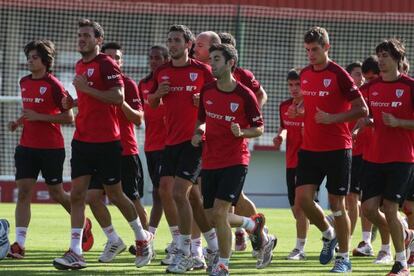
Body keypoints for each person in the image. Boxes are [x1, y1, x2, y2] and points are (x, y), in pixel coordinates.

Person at [53, 19, 152, 270]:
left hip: (107, 142)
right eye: (79, 35)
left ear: (98, 40)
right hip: (82, 141)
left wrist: (87, 89)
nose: (81, 39)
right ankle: (76, 252)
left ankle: (141, 238)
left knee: (118, 195)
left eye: (86, 35)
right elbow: (88, 98)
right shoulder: (79, 64)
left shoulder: (106, 64)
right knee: (78, 195)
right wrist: (72, 102)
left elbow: (117, 97)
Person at [192, 43, 275, 275]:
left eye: (217, 59)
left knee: (219, 213)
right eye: (211, 59)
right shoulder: (207, 91)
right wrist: (199, 133)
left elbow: (258, 128)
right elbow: (202, 120)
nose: (212, 63)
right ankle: (252, 224)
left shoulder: (244, 95)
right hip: (210, 160)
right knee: (211, 217)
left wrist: (243, 132)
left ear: (230, 63)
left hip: (235, 160)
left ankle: (222, 265)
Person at [293, 26, 368, 273]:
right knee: (303, 200)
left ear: (327, 47)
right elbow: (309, 102)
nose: (311, 54)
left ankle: (344, 258)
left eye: (315, 49)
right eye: (307, 50)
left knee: (338, 205)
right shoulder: (304, 74)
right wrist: (300, 110)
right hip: (310, 149)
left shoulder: (339, 75)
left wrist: (333, 118)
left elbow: (362, 110)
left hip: (337, 149)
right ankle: (329, 233)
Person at [148, 24, 219, 273]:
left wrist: (204, 100)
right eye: (170, 40)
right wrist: (157, 94)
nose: (173, 44)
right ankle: (212, 245)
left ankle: (186, 250)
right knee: (182, 195)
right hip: (171, 142)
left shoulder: (203, 71)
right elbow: (153, 104)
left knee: (180, 192)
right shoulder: (163, 71)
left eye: (177, 40)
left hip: (195, 141)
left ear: (188, 44)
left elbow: (218, 100)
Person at [7, 40, 77, 259]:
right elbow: (31, 110)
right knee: (24, 193)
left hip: (51, 149)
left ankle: (81, 222)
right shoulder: (23, 81)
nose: (30, 60)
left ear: (45, 61)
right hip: (26, 147)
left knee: (57, 193)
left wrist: (39, 118)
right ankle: (19, 244)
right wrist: (18, 122)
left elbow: (68, 117)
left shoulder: (55, 84)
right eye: (28, 57)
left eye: (34, 57)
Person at [84, 41, 148, 263]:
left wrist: (117, 100)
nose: (113, 61)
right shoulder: (94, 81)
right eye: (108, 57)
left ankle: (145, 243)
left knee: (132, 199)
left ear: (122, 61)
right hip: (98, 147)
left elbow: (138, 119)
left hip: (124, 149)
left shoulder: (128, 84)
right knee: (91, 197)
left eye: (117, 58)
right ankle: (113, 239)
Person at [360, 38, 414, 276]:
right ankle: (403, 233)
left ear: (398, 60)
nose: (381, 61)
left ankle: (401, 263)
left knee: (391, 208)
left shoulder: (410, 86)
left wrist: (400, 122)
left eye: (386, 56)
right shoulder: (371, 88)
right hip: (373, 157)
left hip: (401, 158)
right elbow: (360, 109)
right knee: (369, 210)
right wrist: (366, 120)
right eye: (379, 56)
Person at [218, 32, 269, 252]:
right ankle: (241, 231)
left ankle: (257, 232)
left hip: (237, 140)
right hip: (214, 142)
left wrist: (248, 119)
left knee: (234, 194)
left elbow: (262, 95)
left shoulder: (243, 75)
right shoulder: (211, 75)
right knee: (224, 195)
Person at [273, 68, 309, 260]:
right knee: (296, 208)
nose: (294, 88)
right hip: (290, 161)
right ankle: (329, 229)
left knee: (300, 205)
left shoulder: (311, 105)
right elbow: (285, 127)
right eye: (291, 85)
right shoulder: (284, 106)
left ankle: (299, 249)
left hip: (309, 160)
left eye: (298, 84)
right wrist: (280, 136)